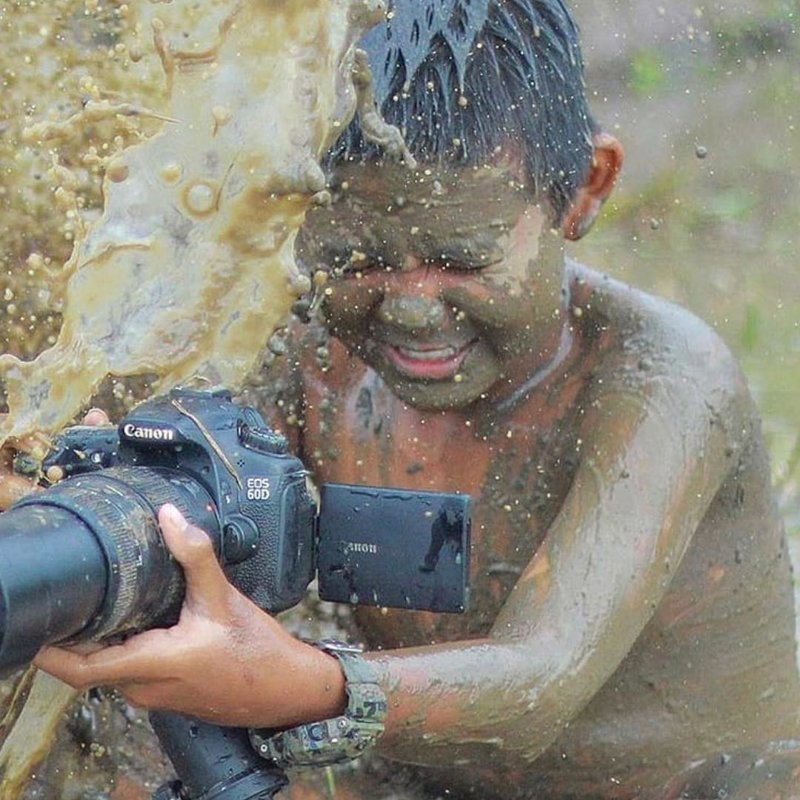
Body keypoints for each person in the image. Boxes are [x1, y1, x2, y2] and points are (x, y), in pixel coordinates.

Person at [6, 1, 800, 798]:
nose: (413, 305)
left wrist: (302, 683)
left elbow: (542, 679)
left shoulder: (660, 377)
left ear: (584, 192)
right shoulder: (310, 353)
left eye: (462, 258)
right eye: (357, 258)